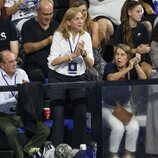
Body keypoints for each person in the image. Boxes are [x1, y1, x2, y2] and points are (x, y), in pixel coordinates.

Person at [47, 7, 94, 148]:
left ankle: (78, 149)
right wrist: (73, 55)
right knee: (58, 115)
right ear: (68, 22)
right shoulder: (58, 35)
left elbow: (91, 64)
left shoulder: (86, 36)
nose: (81, 21)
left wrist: (83, 54)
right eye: (77, 19)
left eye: (82, 18)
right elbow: (53, 61)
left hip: (78, 77)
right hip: (58, 77)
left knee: (80, 113)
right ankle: (57, 149)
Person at [0, 49, 50, 158]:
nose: (15, 64)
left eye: (15, 60)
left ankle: (28, 150)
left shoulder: (21, 73)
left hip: (22, 113)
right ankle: (21, 156)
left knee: (44, 130)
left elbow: (29, 98)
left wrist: (27, 92)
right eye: (10, 61)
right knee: (11, 130)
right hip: (3, 116)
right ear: (2, 65)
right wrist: (19, 95)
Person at [102, 43, 146, 158]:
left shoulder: (130, 68)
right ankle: (113, 154)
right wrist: (128, 68)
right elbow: (111, 78)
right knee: (118, 127)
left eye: (122, 55)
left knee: (134, 127)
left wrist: (136, 65)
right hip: (107, 107)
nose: (118, 57)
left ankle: (128, 154)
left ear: (128, 57)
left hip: (123, 107)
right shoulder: (109, 66)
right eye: (117, 54)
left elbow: (143, 78)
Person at [21, 0, 59, 83]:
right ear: (37, 11)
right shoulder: (28, 25)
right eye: (45, 14)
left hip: (53, 65)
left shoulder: (56, 26)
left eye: (50, 14)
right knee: (38, 76)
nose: (48, 17)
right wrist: (47, 41)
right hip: (34, 66)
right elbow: (27, 48)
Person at [113, 0, 152, 78]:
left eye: (141, 11)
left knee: (149, 72)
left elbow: (147, 46)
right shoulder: (120, 28)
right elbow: (115, 50)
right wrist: (136, 50)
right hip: (125, 61)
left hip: (140, 60)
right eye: (138, 11)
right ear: (129, 13)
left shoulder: (143, 28)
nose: (141, 14)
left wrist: (146, 48)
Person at [73, 0, 106, 80]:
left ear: (87, 11)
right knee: (93, 74)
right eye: (79, 11)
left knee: (104, 70)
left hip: (96, 59)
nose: (82, 13)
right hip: (81, 61)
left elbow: (95, 44)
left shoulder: (93, 24)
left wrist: (80, 45)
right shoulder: (73, 27)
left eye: (84, 10)